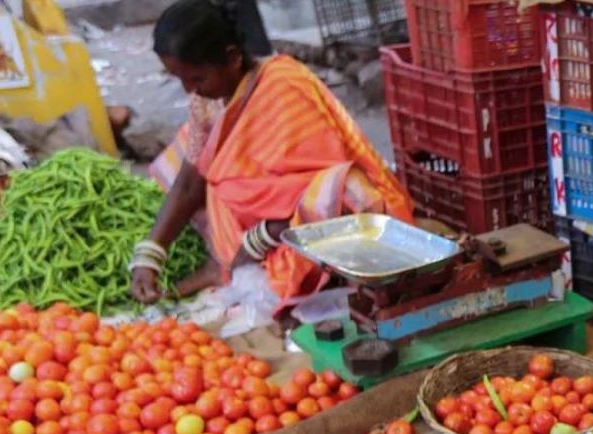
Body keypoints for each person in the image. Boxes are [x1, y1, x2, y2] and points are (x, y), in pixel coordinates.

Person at [129, 0, 413, 308]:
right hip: (257, 216)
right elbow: (187, 183)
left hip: (298, 220)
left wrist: (260, 237)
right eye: (180, 80)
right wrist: (149, 256)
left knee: (344, 193)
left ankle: (260, 267)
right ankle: (224, 262)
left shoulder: (284, 85)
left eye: (197, 79)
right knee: (185, 161)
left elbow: (322, 184)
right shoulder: (207, 102)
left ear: (233, 57)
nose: (190, 91)